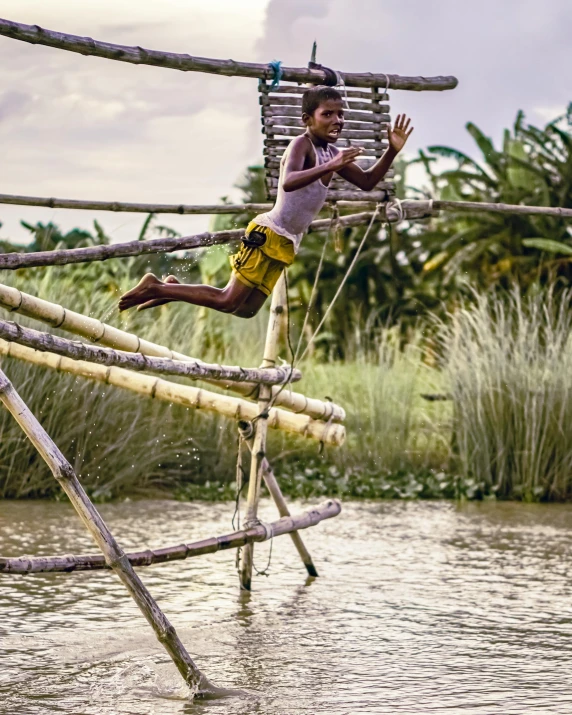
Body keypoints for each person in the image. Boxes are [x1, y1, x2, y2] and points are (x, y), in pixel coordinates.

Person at [118, 86, 413, 316]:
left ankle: (170, 289)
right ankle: (155, 286)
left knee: (245, 310)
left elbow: (367, 182)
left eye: (340, 114)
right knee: (227, 299)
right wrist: (330, 166)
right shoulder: (303, 145)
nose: (337, 120)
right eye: (328, 114)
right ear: (308, 120)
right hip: (268, 233)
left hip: (287, 242)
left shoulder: (329, 154)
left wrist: (391, 151)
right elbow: (288, 181)